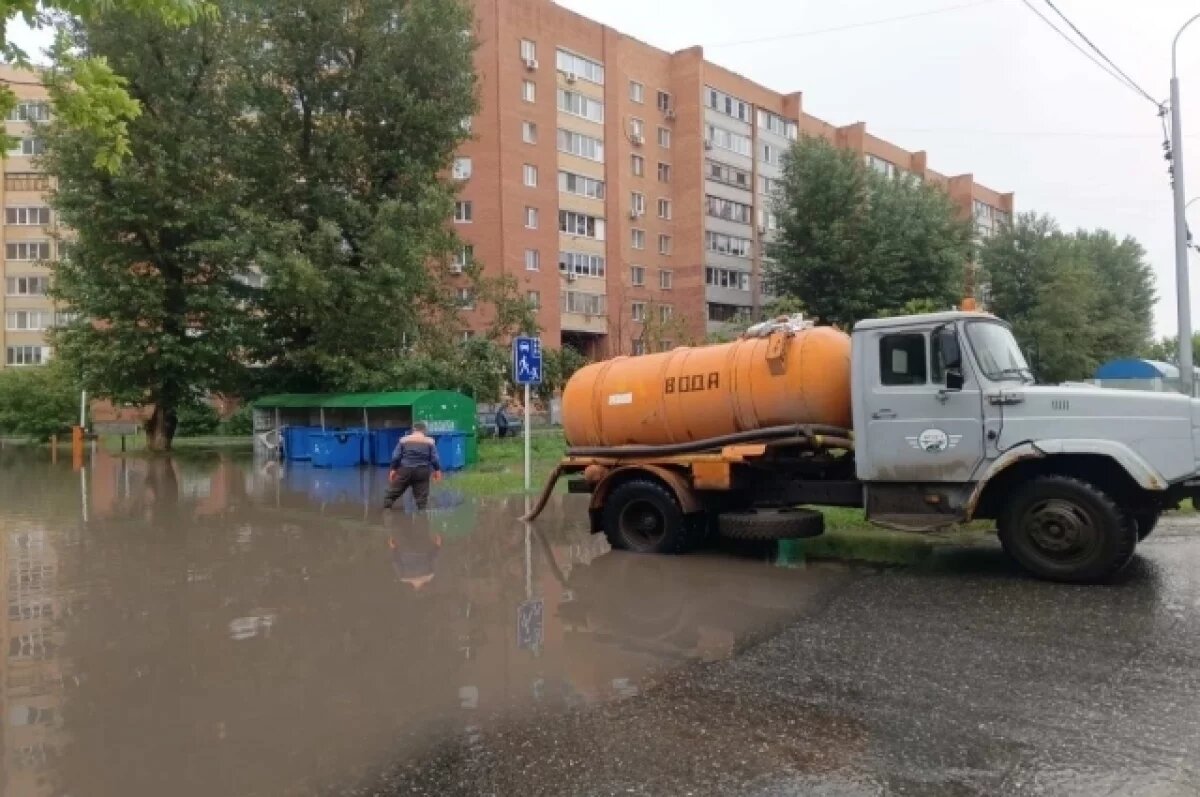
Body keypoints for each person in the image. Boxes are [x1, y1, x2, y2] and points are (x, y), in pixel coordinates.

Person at [383, 422, 443, 510]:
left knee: (391, 494)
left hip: (405, 470)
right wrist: (437, 470)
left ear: (413, 430)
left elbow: (396, 456)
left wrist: (393, 469)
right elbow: (435, 459)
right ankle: (422, 518)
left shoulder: (403, 440)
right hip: (422, 471)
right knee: (421, 499)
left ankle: (386, 512)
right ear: (424, 430)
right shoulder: (430, 441)